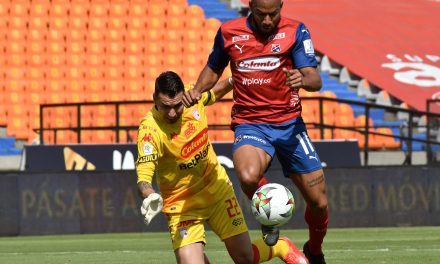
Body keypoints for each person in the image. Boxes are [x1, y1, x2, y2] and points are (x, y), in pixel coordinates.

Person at [182, 1, 328, 263]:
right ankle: (269, 216)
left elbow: (315, 79)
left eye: (274, 13)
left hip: (290, 126)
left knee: (318, 202)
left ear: (282, 6)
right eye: (262, 14)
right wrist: (196, 90)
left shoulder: (296, 30)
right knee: (248, 176)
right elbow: (214, 69)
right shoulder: (229, 32)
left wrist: (302, 80)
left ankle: (314, 250)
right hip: (251, 123)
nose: (268, 20)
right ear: (250, 6)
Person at [136, 71, 308, 264]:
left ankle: (280, 246)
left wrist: (235, 79)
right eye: (165, 107)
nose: (172, 113)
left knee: (245, 258)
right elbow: (144, 169)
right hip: (182, 206)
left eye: (177, 106)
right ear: (154, 99)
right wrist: (149, 193)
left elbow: (215, 92)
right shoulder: (149, 130)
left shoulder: (194, 99)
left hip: (217, 192)